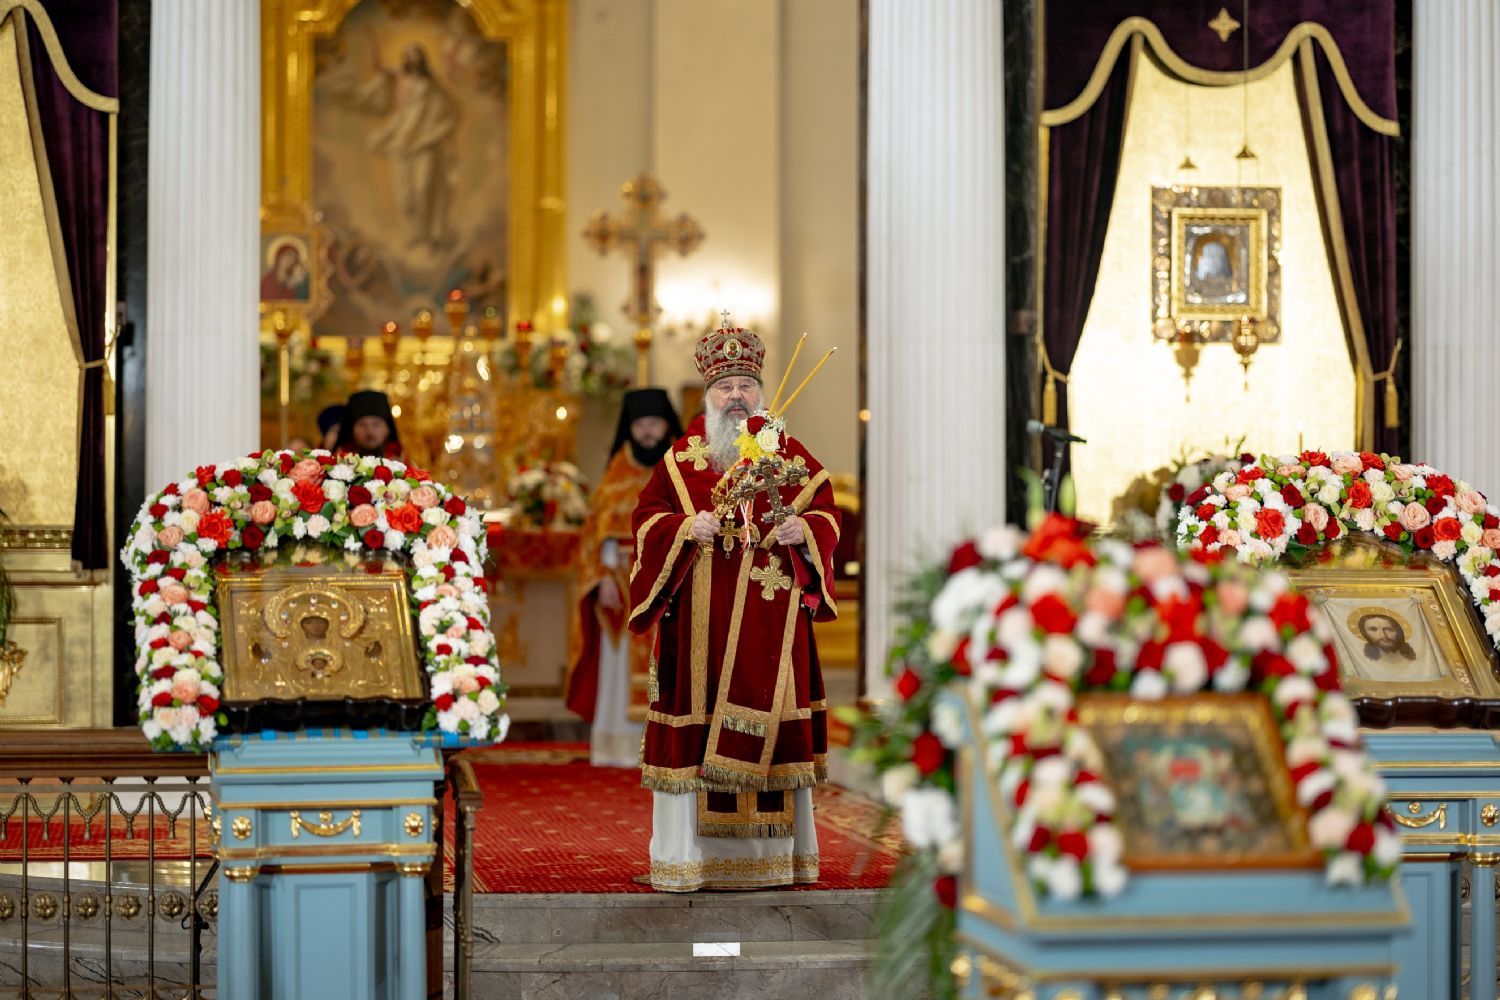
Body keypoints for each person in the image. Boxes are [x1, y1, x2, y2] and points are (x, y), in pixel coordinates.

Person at [628, 321, 841, 892]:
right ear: (708, 396)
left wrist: (805, 531)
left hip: (772, 626)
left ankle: (774, 860)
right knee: (697, 718)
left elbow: (827, 513)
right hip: (700, 625)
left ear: (761, 392)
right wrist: (683, 528)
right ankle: (689, 859)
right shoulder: (681, 460)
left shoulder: (788, 454)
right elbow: (645, 521)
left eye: (747, 385)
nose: (737, 396)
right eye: (725, 387)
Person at [565, 388, 684, 767]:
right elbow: (595, 532)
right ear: (629, 428)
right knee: (620, 666)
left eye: (654, 423)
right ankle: (619, 748)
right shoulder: (617, 471)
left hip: (673, 578)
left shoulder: (683, 465)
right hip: (622, 582)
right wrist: (602, 578)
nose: (647, 431)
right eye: (640, 424)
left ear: (666, 425)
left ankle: (671, 747)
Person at [351, 41, 458, 252]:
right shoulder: (400, 77)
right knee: (404, 193)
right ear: (405, 60)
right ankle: (415, 235)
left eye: (416, 55)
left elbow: (449, 111)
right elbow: (381, 68)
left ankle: (432, 235)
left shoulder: (431, 86)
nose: (412, 59)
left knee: (424, 188)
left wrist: (432, 133)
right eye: (408, 55)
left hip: (424, 142)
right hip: (401, 140)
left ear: (422, 59)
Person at [334, 389, 404, 460]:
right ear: (352, 430)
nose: (370, 431)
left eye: (376, 424)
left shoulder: (401, 461)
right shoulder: (339, 459)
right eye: (362, 425)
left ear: (387, 429)